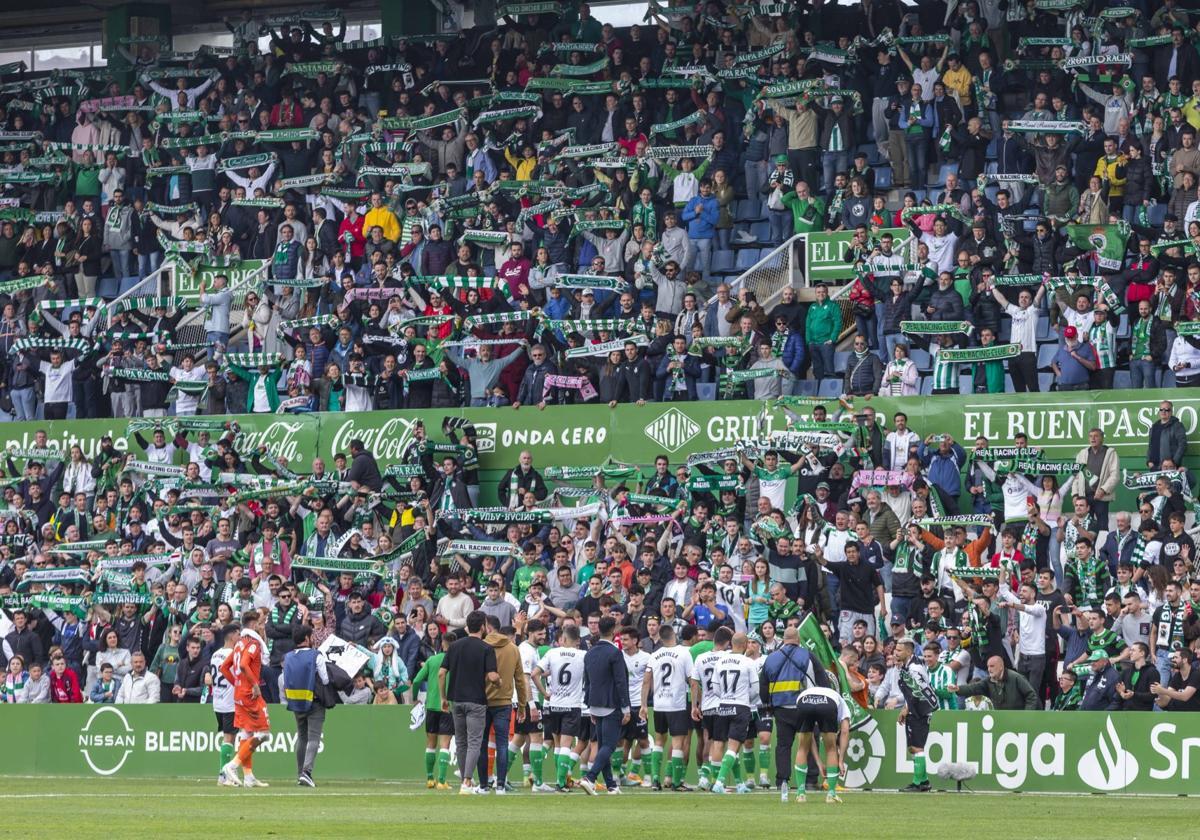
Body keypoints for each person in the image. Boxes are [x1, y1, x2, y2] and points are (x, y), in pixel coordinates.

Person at [439, 610, 499, 795]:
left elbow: (441, 673)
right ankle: (466, 781)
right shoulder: (486, 648)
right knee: (475, 742)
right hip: (476, 701)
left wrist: (443, 697)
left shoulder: (454, 646)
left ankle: (467, 780)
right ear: (483, 626)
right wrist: (499, 681)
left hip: (456, 700)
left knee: (462, 742)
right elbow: (492, 676)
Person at [283, 623, 344, 787]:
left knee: (302, 737)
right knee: (314, 738)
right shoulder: (316, 655)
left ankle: (299, 773)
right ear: (306, 639)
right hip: (314, 701)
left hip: (296, 702)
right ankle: (307, 772)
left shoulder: (287, 657)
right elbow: (325, 679)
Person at [577, 615, 630, 796]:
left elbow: (588, 681)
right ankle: (590, 778)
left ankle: (611, 785)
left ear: (598, 629)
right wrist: (626, 708)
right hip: (611, 704)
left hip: (594, 703)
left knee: (602, 746)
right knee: (609, 745)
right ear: (614, 630)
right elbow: (621, 682)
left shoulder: (590, 652)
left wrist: (589, 705)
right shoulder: (615, 653)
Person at [219, 610, 272, 788]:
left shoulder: (239, 643)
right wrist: (254, 685)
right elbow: (242, 665)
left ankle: (248, 776)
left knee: (247, 733)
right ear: (254, 624)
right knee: (263, 734)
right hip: (250, 694)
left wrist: (237, 683)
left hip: (239, 694)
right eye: (260, 623)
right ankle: (232, 766)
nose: (261, 626)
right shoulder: (253, 643)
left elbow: (224, 667)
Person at [894, 637, 938, 793]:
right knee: (912, 748)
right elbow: (910, 691)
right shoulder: (906, 666)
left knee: (917, 747)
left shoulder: (915, 669)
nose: (895, 652)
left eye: (899, 650)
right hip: (914, 709)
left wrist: (911, 709)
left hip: (921, 712)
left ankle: (918, 783)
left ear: (909, 651)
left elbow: (922, 692)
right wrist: (906, 708)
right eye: (895, 649)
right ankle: (924, 781)